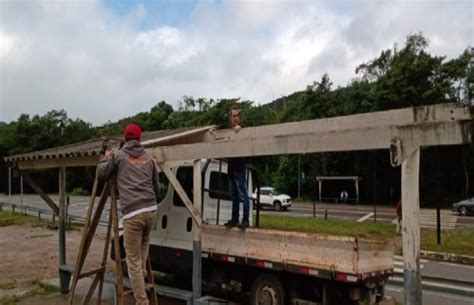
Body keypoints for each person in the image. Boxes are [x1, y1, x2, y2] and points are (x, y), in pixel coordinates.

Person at [97, 123, 160, 305]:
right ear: (140, 139)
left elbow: (101, 174)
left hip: (133, 213)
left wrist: (105, 157)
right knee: (143, 247)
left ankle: (142, 302)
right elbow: (156, 186)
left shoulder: (118, 156)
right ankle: (142, 273)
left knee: (132, 262)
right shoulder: (149, 159)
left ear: (125, 139)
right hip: (151, 210)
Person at [224, 107, 250, 229]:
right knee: (233, 195)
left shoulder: (242, 130)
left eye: (237, 116)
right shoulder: (228, 132)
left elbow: (247, 139)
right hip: (231, 167)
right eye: (233, 116)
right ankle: (234, 218)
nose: (235, 118)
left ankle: (245, 219)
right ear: (230, 118)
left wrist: (240, 130)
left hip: (239, 167)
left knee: (243, 194)